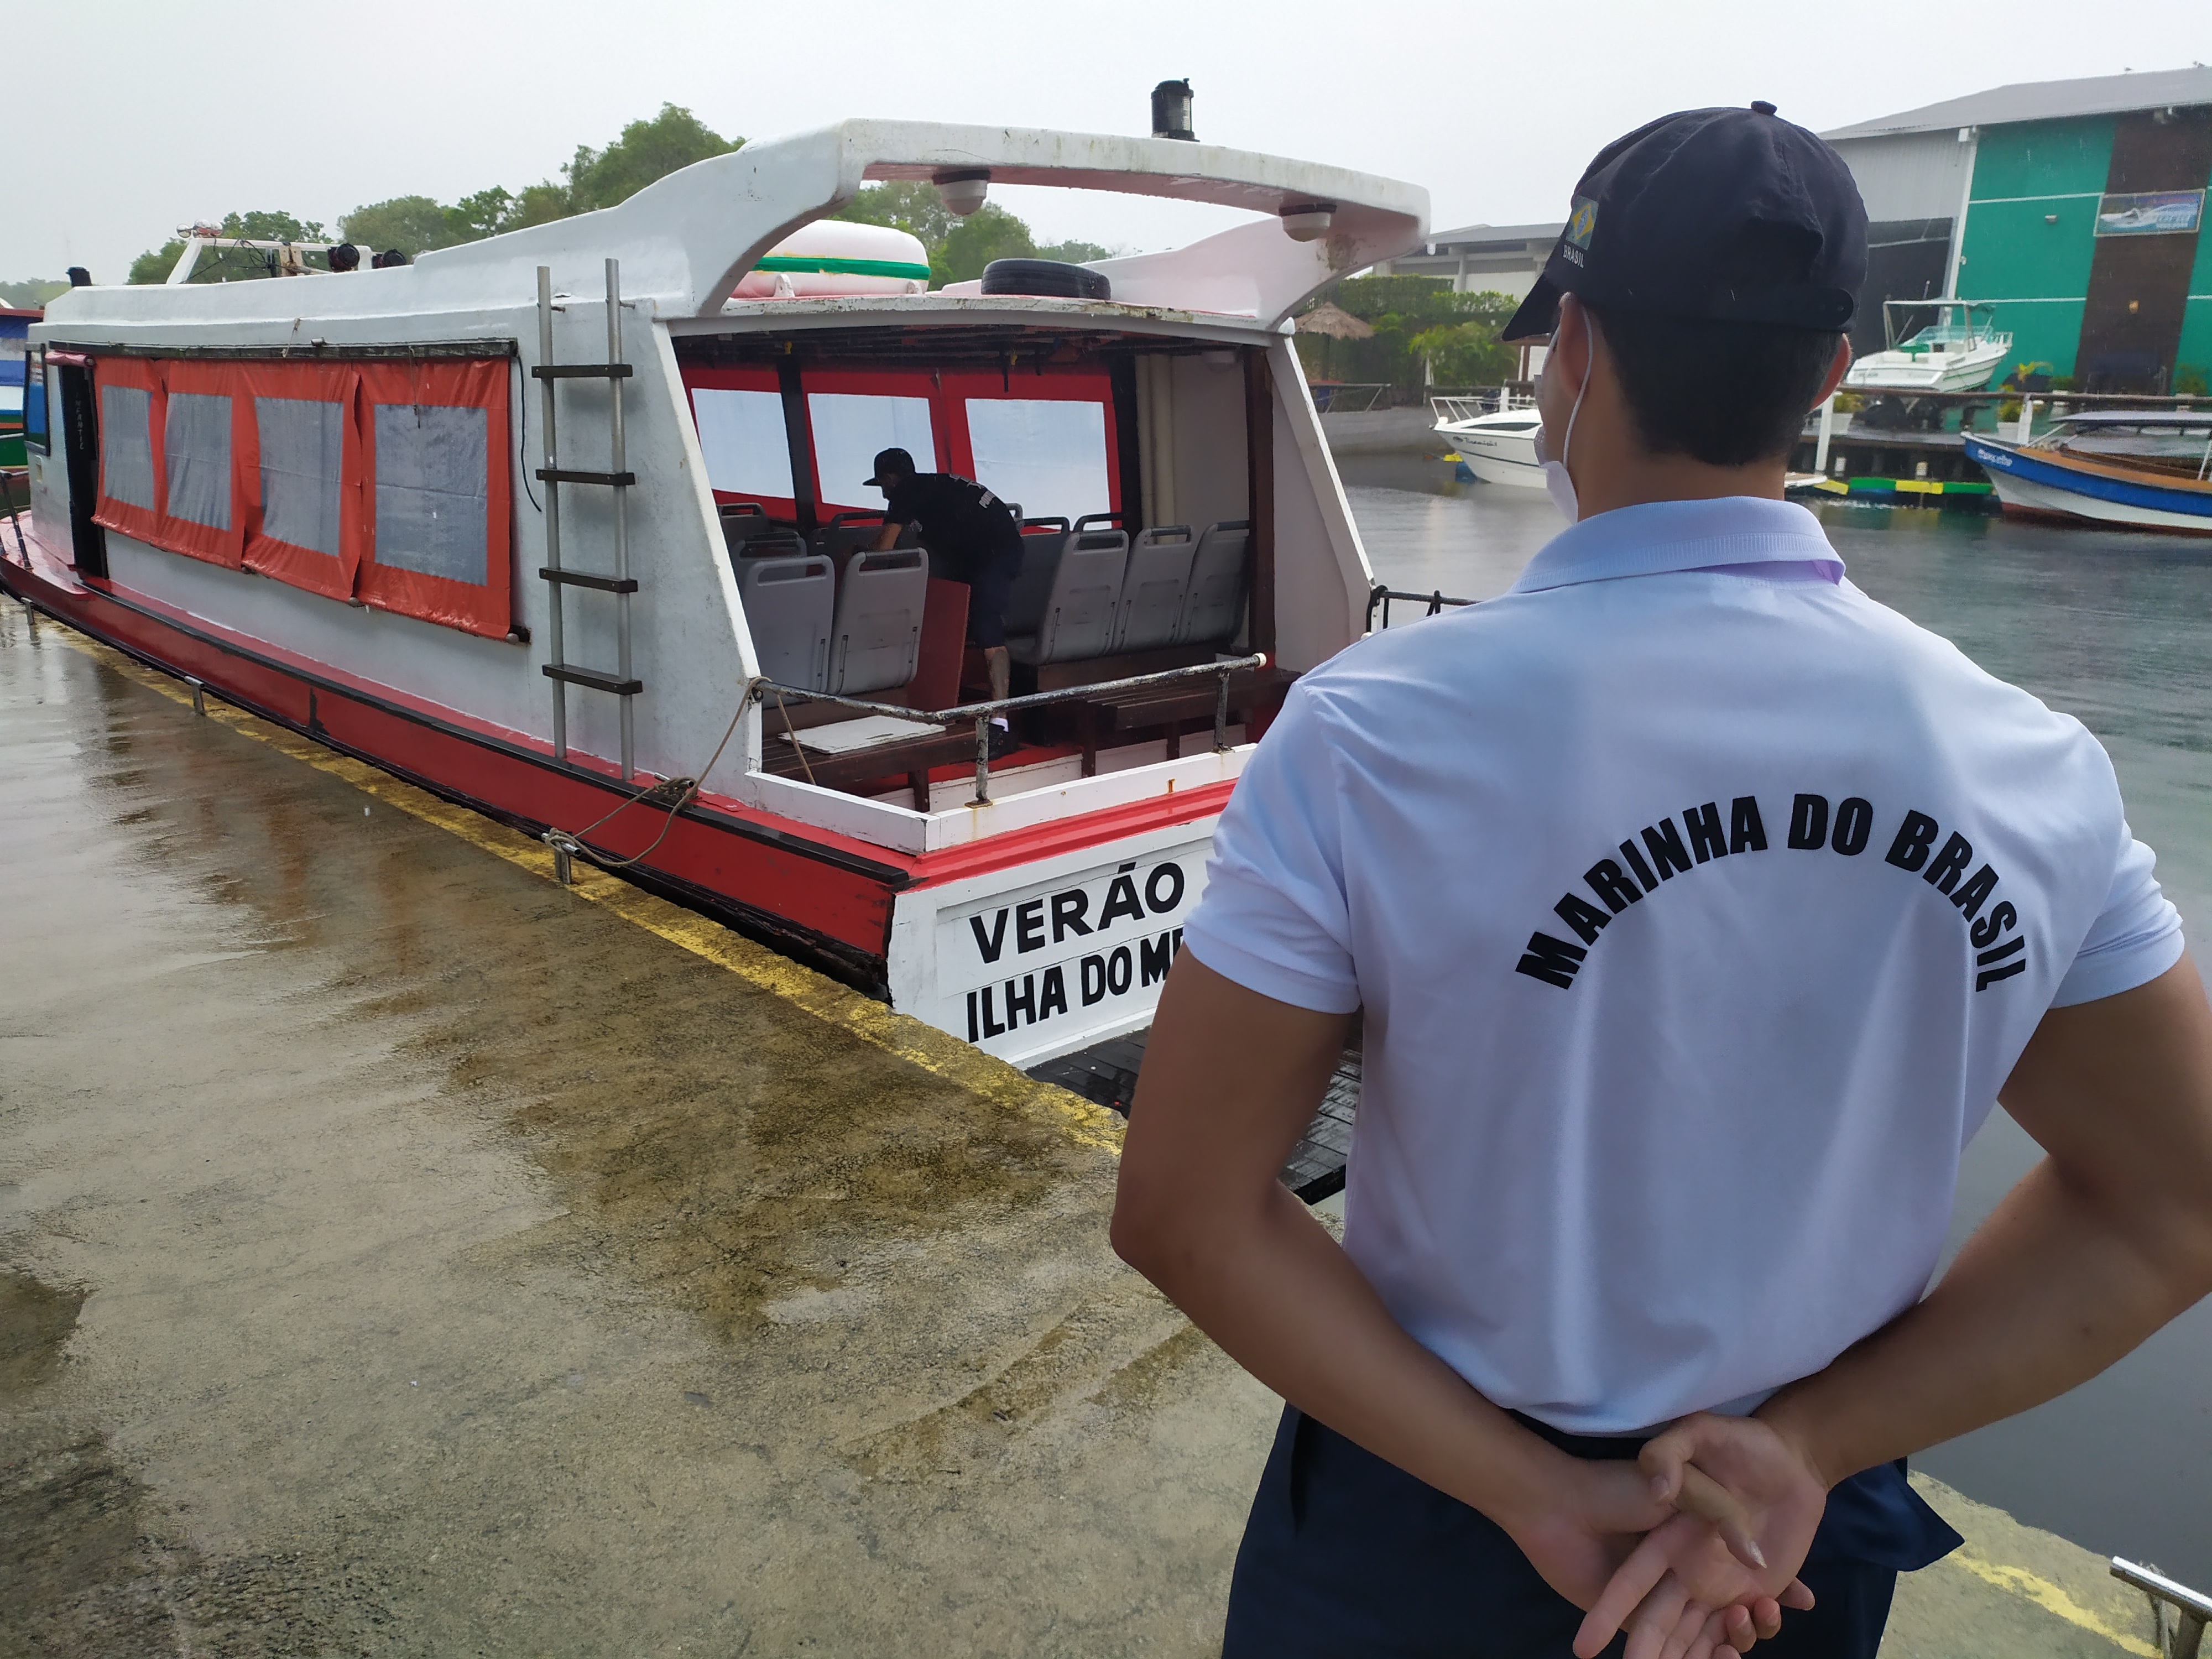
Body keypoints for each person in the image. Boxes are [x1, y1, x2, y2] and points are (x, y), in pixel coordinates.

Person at [1111, 101, 2212, 1659]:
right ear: (1831, 376)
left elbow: (1185, 1209)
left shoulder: (1377, 732)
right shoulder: (2028, 765)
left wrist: (1532, 1493)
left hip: (1424, 1517)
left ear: (1568, 350)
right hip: (1782, 1551)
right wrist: (1811, 1444)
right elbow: (2177, 1201)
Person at [864, 447, 1024, 714]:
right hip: (989, 549)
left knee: (988, 631)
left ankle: (1000, 721)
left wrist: (854, 554)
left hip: (994, 554)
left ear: (891, 477)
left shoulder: (905, 491)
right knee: (951, 609)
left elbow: (882, 551)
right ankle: (949, 691)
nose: (883, 493)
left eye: (882, 484)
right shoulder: (935, 486)